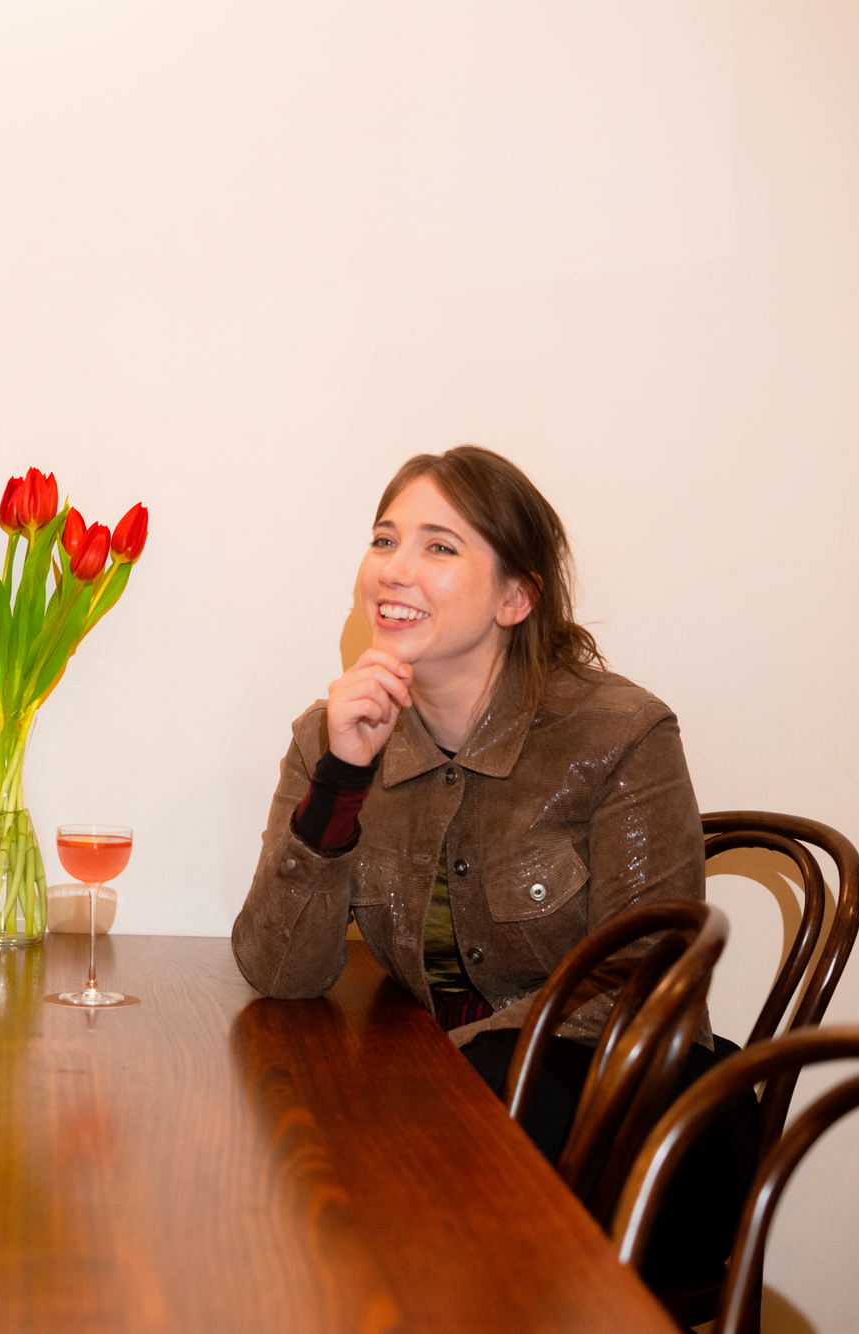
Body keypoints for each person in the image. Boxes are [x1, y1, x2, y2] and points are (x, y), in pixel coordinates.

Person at [231, 445, 756, 1290]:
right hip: (457, 1118)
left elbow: (642, 985)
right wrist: (341, 777)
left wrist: (438, 1073)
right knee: (306, 1177)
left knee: (373, 1192)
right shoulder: (332, 733)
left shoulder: (621, 732)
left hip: (633, 1123)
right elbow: (281, 971)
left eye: (439, 546)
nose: (395, 568)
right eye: (384, 539)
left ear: (517, 597)